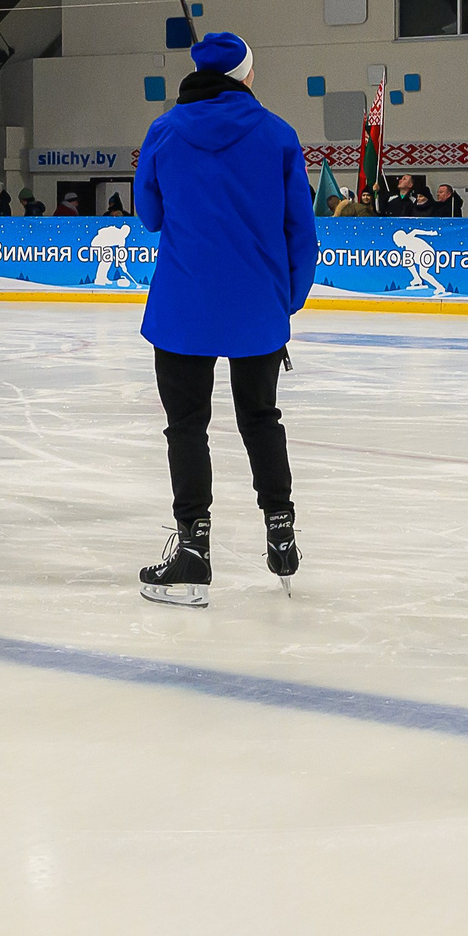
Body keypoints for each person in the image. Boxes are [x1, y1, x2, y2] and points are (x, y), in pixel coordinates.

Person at [130, 34, 315, 607]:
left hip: (183, 307)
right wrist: (286, 301)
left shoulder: (163, 131)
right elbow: (301, 233)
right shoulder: (278, 134)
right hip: (256, 307)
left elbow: (149, 216)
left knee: (186, 426)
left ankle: (193, 548)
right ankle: (280, 530)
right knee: (261, 418)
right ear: (246, 76)